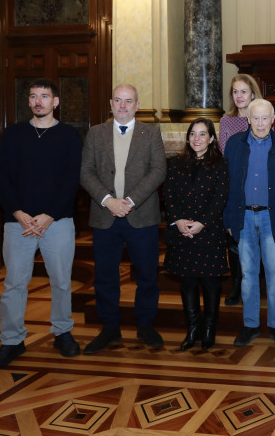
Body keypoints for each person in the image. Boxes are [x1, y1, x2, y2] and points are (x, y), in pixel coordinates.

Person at [0, 78, 82, 369]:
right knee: (14, 284)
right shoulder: (14, 134)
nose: (38, 101)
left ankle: (62, 333)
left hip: (58, 221)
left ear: (56, 101)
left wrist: (49, 214)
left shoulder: (69, 136)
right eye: (33, 96)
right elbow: (2, 177)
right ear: (29, 102)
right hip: (18, 223)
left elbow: (71, 179)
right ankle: (12, 341)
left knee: (61, 282)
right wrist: (17, 212)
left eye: (44, 96)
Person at [80, 84, 167, 354]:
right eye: (118, 100)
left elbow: (158, 171)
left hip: (141, 215)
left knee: (147, 276)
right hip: (106, 216)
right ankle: (109, 329)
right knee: (106, 277)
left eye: (128, 101)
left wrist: (129, 201)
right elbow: (86, 173)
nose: (122, 106)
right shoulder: (95, 133)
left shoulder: (150, 134)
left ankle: (145, 325)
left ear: (137, 105)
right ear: (110, 102)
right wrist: (109, 201)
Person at [224, 99, 275, 348]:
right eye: (255, 118)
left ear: (272, 119)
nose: (259, 123)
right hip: (243, 217)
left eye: (264, 118)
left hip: (273, 218)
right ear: (248, 119)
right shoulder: (234, 144)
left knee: (274, 274)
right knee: (247, 274)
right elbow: (227, 184)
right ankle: (250, 325)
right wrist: (229, 218)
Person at [163, 119, 229, 351]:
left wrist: (202, 223)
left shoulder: (221, 164)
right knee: (187, 282)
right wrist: (178, 221)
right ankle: (193, 329)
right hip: (182, 232)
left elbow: (220, 198)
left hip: (208, 232)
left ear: (211, 138)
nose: (197, 138)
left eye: (203, 134)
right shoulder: (175, 163)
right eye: (193, 134)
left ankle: (209, 329)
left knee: (210, 283)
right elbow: (168, 195)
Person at [218, 73, 263, 306]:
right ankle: (237, 284)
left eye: (243, 91)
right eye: (235, 91)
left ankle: (258, 282)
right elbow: (223, 155)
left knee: (260, 236)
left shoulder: (262, 117)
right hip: (234, 188)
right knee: (234, 239)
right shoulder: (226, 121)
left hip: (259, 187)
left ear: (253, 93)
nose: (238, 96)